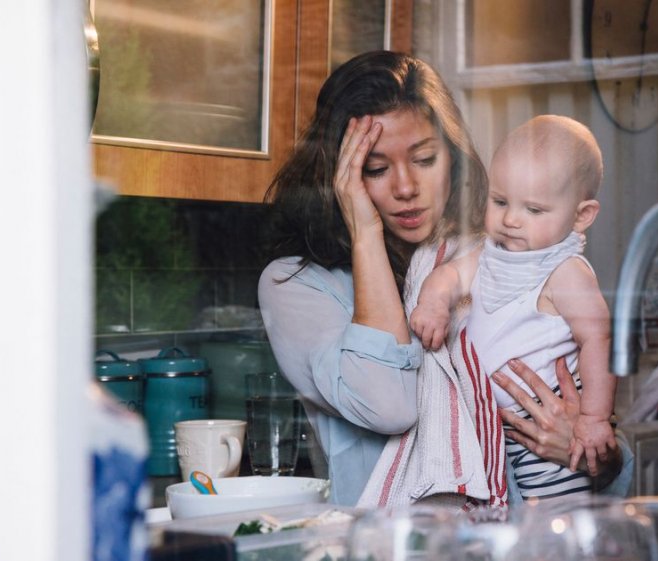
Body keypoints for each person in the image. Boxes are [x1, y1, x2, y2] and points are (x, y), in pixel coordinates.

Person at [257, 50, 630, 507]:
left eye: (425, 159)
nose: (406, 187)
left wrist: (591, 452)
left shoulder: (500, 258)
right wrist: (366, 230)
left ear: (452, 159)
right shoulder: (297, 286)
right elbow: (389, 404)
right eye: (374, 169)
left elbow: (611, 461)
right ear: (338, 175)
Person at [410, 115, 617, 499]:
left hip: (545, 429)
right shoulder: (491, 254)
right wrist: (434, 303)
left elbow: (599, 340)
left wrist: (593, 419)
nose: (510, 220)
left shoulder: (565, 271)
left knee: (556, 520)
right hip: (494, 430)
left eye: (534, 210)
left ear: (581, 216)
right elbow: (450, 276)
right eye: (500, 201)